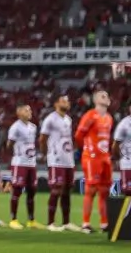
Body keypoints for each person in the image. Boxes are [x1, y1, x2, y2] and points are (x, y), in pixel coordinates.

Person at [40, 94, 81, 233]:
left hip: (68, 160)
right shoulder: (50, 119)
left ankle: (66, 222)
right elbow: (42, 138)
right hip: (56, 159)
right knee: (56, 190)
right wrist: (46, 154)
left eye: (68, 101)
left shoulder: (68, 119)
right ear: (56, 103)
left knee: (67, 191)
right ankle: (50, 223)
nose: (67, 103)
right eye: (63, 100)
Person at [75, 89, 113, 233]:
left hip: (105, 157)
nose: (107, 98)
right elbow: (79, 135)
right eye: (103, 96)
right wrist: (87, 150)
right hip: (92, 158)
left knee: (104, 191)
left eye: (107, 95)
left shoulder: (109, 117)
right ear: (96, 100)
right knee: (90, 190)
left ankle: (104, 224)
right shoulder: (90, 115)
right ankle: (86, 223)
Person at [6, 103, 44, 230]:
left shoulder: (33, 127)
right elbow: (9, 144)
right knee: (17, 190)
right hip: (19, 163)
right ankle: (13, 219)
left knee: (32, 191)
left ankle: (31, 220)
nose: (30, 112)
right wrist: (18, 153)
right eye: (27, 110)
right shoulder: (15, 127)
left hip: (31, 163)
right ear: (19, 113)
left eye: (30, 110)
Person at [113, 103, 131, 198]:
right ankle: (127, 213)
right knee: (128, 192)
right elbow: (116, 143)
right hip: (128, 163)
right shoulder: (124, 124)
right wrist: (117, 157)